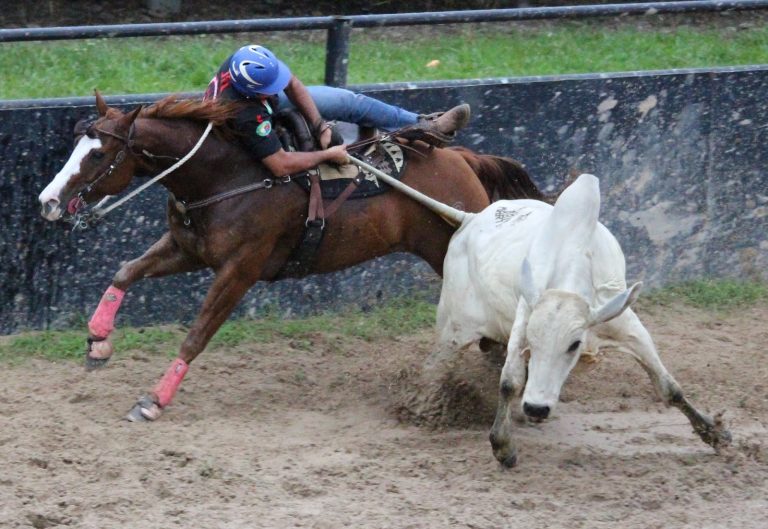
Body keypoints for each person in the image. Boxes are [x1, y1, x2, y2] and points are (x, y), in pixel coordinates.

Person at [203, 44, 470, 178]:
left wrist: (319, 125)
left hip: (260, 107)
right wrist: (327, 154)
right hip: (249, 124)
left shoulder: (249, 59)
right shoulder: (245, 114)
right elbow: (280, 165)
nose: (277, 86)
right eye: (270, 87)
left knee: (346, 100)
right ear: (252, 91)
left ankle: (426, 126)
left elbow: (292, 83)